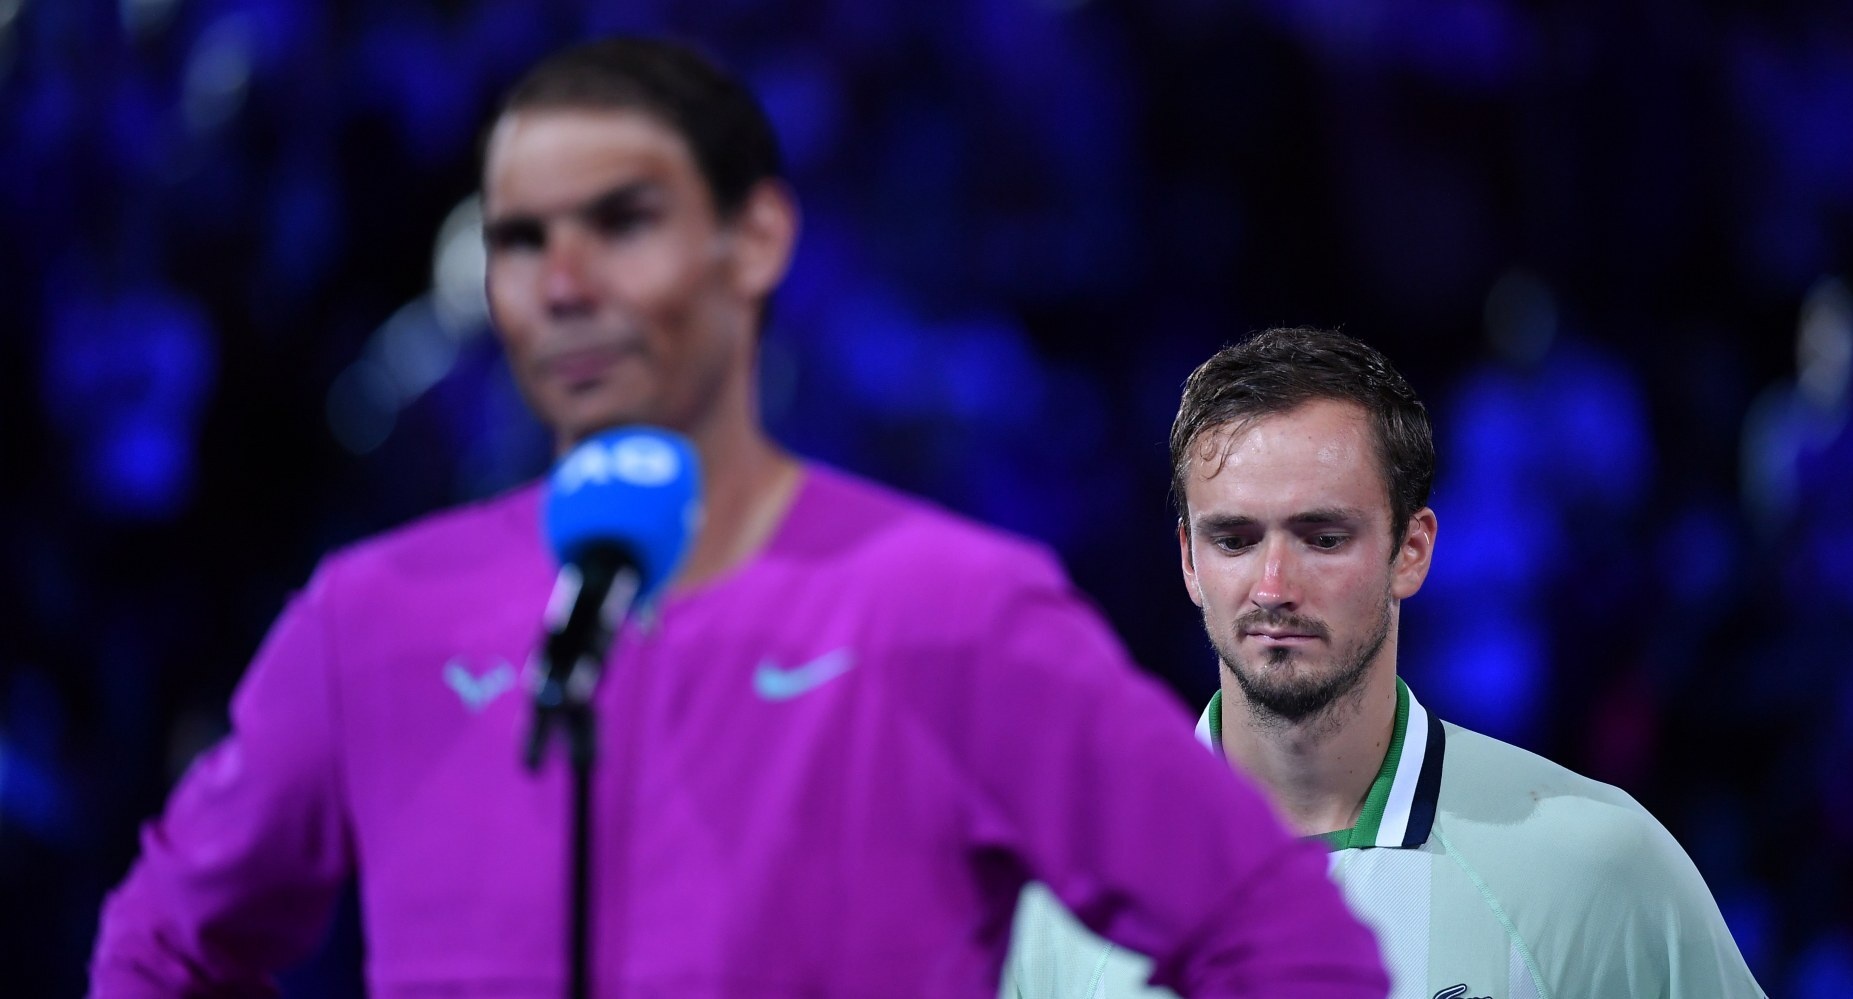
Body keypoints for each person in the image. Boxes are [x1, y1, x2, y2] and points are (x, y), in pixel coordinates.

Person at [89, 39, 1387, 998]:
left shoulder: (947, 610)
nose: (566, 280)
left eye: (624, 221)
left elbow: (1282, 942)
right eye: (525, 236)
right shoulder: (373, 615)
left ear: (755, 240)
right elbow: (162, 947)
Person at [1002, 328, 1764, 998]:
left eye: (1323, 537)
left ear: (1413, 549)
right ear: (1189, 561)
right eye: (1235, 538)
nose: (1274, 586)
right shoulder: (1054, 902)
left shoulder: (1594, 867)